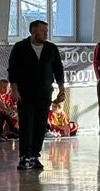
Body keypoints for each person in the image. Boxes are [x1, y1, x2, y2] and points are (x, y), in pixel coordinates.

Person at [7, 19, 65, 171]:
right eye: (42, 31)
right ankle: (24, 156)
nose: (46, 34)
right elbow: (13, 69)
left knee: (40, 125)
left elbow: (58, 68)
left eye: (46, 31)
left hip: (44, 93)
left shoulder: (51, 48)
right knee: (26, 124)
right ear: (33, 32)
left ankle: (34, 156)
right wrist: (14, 89)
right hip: (25, 93)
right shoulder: (20, 47)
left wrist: (61, 88)